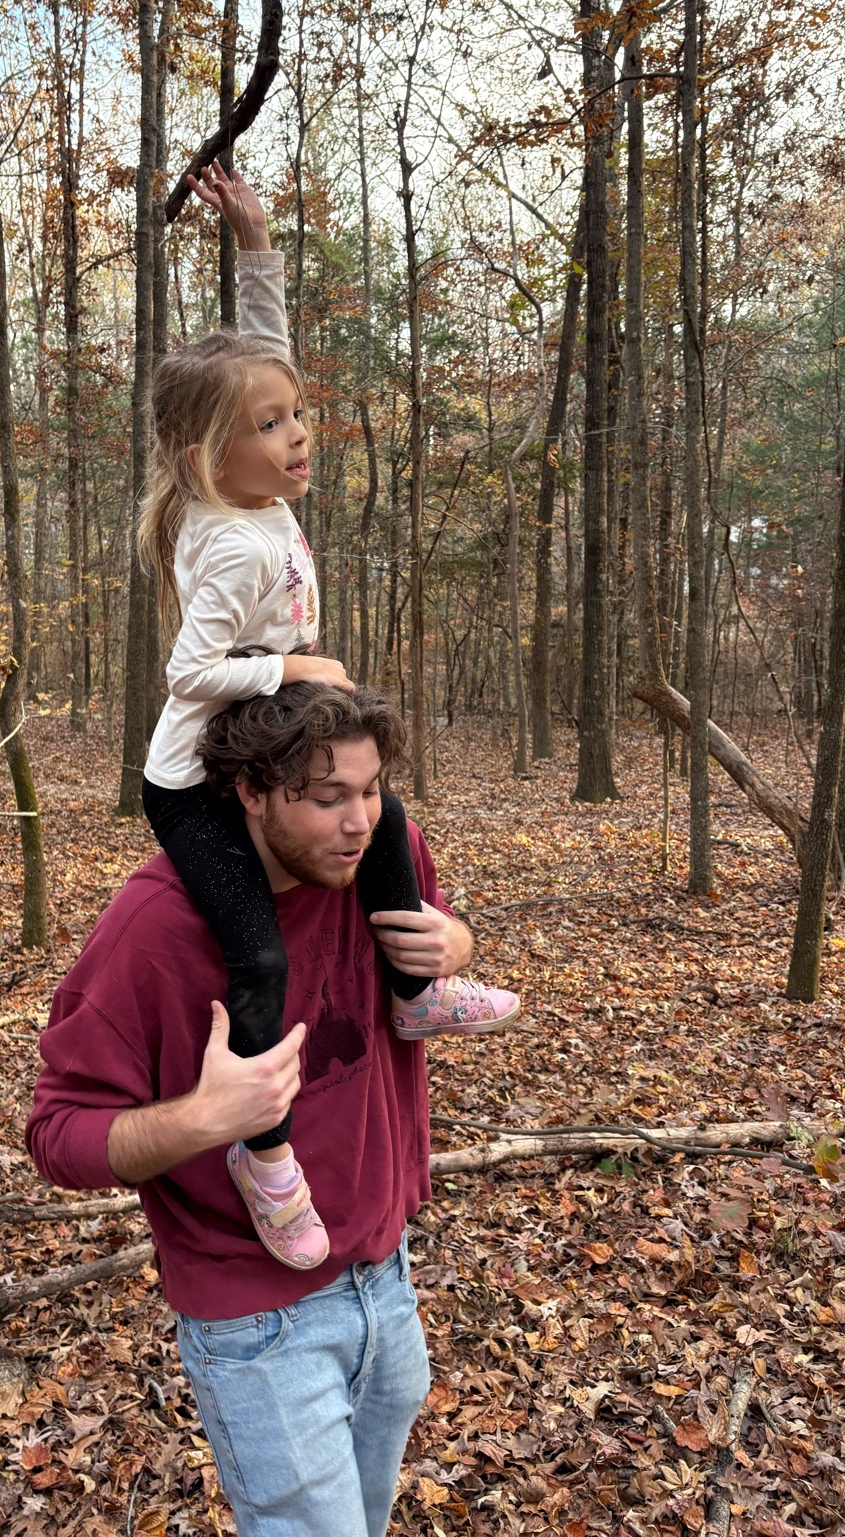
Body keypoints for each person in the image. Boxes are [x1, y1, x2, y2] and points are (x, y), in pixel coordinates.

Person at [137, 163, 518, 1270]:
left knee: (381, 813)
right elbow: (188, 676)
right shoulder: (230, 542)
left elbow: (260, 361)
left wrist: (255, 244)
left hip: (268, 737)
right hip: (194, 780)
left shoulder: (252, 487)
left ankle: (416, 994)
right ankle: (266, 1160)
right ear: (214, 457)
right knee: (259, 959)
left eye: (299, 415)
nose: (300, 434)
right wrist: (294, 665)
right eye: (274, 425)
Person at [27, 681, 513, 1536]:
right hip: (259, 1323)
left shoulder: (380, 854)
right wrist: (202, 1118)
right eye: (327, 799)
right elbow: (56, 1134)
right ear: (251, 792)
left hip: (386, 1274)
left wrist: (457, 941)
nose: (359, 822)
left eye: (372, 790)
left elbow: (425, 959)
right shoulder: (156, 927)